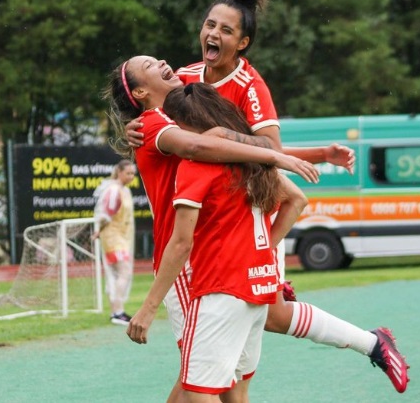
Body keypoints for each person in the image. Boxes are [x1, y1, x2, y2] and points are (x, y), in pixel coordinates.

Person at [124, 0, 409, 394]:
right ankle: (368, 340)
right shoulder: (186, 77)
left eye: (226, 29)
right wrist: (136, 126)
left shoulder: (250, 87)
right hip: (226, 233)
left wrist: (266, 241)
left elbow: (269, 152)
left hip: (238, 228)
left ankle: (283, 287)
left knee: (204, 378)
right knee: (241, 363)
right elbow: (161, 112)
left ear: (242, 43)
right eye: (210, 24)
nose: (213, 33)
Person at [103, 54, 318, 402]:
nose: (161, 60)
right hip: (187, 264)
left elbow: (227, 136)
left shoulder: (179, 106)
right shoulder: (154, 122)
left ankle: (367, 342)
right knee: (205, 382)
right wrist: (275, 156)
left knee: (210, 379)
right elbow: (200, 145)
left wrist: (317, 153)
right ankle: (368, 343)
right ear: (141, 91)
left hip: (207, 260)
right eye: (148, 65)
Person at [92, 160, 136, 325]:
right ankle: (117, 311)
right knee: (123, 272)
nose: (131, 177)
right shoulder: (113, 190)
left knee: (121, 273)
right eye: (128, 173)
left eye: (133, 174)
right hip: (113, 237)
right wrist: (99, 230)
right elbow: (105, 214)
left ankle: (118, 310)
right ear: (119, 172)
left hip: (121, 237)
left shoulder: (125, 190)